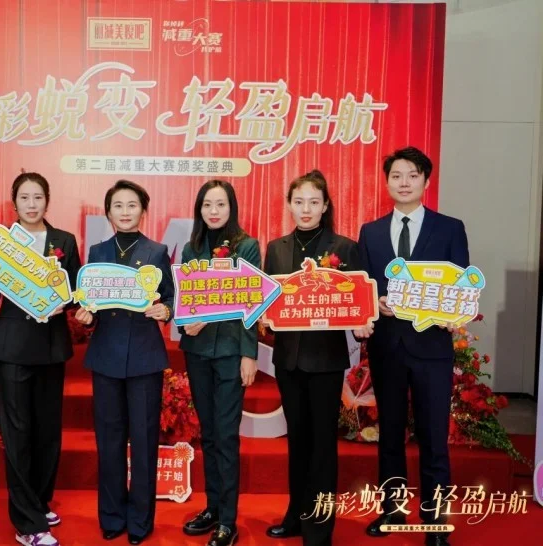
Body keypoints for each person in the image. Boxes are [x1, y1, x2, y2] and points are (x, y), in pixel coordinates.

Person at [357, 147, 469, 546]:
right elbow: (363, 286)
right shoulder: (370, 232)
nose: (404, 182)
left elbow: (461, 286)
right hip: (387, 347)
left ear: (425, 180)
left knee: (433, 437)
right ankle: (392, 510)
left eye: (412, 175)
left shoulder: (449, 228)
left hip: (432, 348)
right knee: (389, 433)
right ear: (387, 182)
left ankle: (435, 520)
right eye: (396, 176)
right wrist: (374, 304)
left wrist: (454, 312)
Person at [0, 172, 81, 546]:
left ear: (47, 200)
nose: (31, 204)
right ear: (14, 203)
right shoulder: (4, 242)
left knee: (48, 431)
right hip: (13, 346)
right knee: (17, 432)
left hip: (51, 345)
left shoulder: (64, 241)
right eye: (25, 198)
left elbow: (74, 292)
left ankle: (39, 501)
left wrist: (67, 301)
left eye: (38, 197)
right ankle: (28, 524)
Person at [74, 179, 174, 545]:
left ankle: (140, 521)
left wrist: (166, 310)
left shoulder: (157, 251)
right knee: (109, 440)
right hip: (106, 356)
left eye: (132, 205)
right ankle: (112, 516)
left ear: (143, 211)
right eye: (118, 205)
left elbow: (171, 297)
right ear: (108, 212)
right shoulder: (97, 251)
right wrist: (86, 315)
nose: (126, 211)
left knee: (144, 442)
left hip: (145, 356)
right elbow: (89, 300)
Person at [263, 170, 360, 546]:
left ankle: (319, 526)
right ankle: (295, 515)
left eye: (314, 202)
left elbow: (357, 300)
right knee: (297, 441)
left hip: (326, 361)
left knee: (322, 444)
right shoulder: (277, 248)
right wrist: (263, 315)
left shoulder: (344, 248)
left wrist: (361, 321)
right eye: (299, 201)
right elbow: (269, 301)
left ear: (325, 206)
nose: (306, 209)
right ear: (289, 205)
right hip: (288, 360)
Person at [179, 180, 260, 546]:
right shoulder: (191, 248)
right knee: (209, 434)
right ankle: (212, 507)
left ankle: (228, 519)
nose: (213, 211)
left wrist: (248, 353)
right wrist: (186, 321)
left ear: (232, 208)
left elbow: (251, 302)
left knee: (226, 436)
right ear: (199, 209)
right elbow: (184, 298)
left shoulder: (247, 246)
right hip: (197, 352)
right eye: (207, 205)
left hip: (229, 352)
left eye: (221, 204)